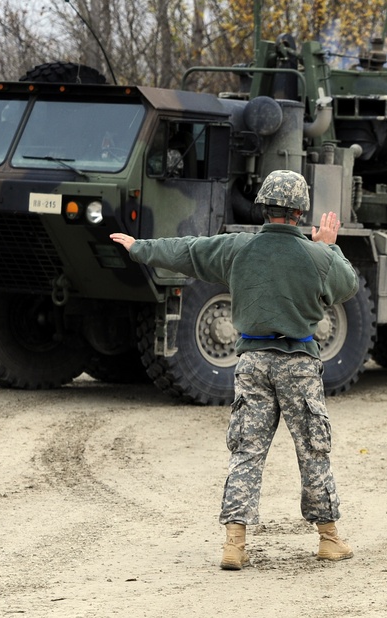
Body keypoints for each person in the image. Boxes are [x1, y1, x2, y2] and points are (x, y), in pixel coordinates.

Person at [110, 169, 358, 570]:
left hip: (252, 363)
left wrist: (140, 247)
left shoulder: (237, 248)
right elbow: (347, 286)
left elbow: (188, 251)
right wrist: (330, 247)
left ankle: (234, 545)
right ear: (300, 211)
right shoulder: (318, 257)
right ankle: (329, 539)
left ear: (263, 207)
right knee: (313, 448)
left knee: (246, 451)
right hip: (298, 364)